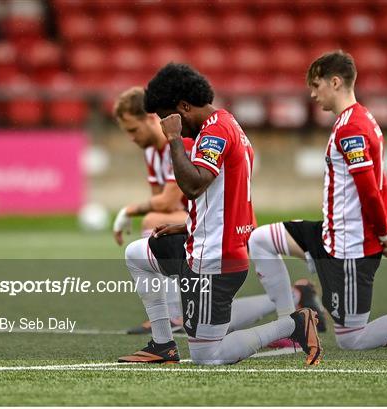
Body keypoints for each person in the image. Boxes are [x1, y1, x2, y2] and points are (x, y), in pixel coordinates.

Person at [248, 50, 387, 351]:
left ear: (335, 82)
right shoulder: (360, 119)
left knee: (352, 339)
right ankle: (291, 327)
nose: (312, 94)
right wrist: (385, 231)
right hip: (330, 234)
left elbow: (369, 189)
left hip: (350, 247)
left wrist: (382, 235)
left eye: (316, 85)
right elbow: (381, 181)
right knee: (260, 240)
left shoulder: (352, 128)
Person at [118, 63, 322, 365]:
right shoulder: (224, 124)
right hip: (200, 243)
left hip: (215, 259)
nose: (164, 125)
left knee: (207, 356)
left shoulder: (216, 131)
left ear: (184, 107)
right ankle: (163, 345)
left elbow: (194, 184)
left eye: (166, 117)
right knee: (136, 255)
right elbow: (219, 199)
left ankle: (294, 324)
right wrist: (188, 225)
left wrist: (174, 139)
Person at [112, 86, 193, 335]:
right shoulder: (151, 151)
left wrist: (128, 210)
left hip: (215, 219)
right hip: (190, 219)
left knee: (152, 220)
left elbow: (168, 202)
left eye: (134, 130)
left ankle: (173, 315)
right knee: (154, 221)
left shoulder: (181, 143)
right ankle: (172, 314)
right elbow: (159, 200)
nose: (131, 137)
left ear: (150, 118)